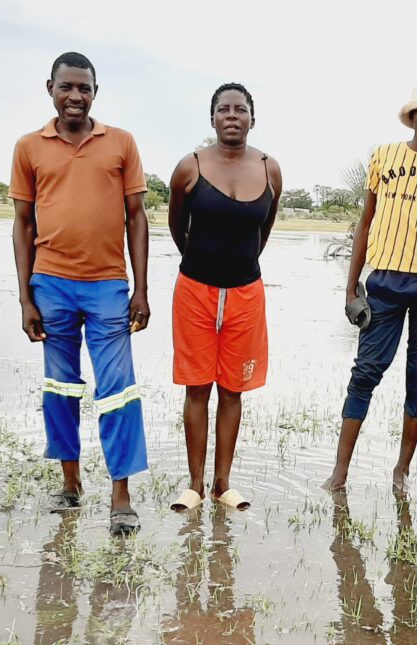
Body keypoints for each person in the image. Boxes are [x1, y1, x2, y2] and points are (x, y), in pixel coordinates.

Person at [9, 52, 150, 535]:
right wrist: (26, 297)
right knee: (61, 388)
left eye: (84, 88)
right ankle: (70, 485)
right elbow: (23, 223)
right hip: (50, 284)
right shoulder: (29, 146)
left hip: (109, 285)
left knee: (119, 389)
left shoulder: (121, 143)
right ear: (50, 87)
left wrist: (141, 289)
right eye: (66, 87)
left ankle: (121, 495)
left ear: (95, 91)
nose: (75, 96)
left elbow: (136, 217)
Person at [323, 84, 417, 493]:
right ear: (412, 117)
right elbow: (366, 221)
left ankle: (401, 473)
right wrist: (351, 287)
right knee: (365, 373)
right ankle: (340, 473)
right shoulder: (384, 157)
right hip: (385, 283)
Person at [167, 83, 282, 512]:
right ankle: (195, 485)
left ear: (253, 117)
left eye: (240, 109)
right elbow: (177, 226)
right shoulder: (189, 167)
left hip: (246, 292)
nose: (232, 116)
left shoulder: (271, 169)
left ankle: (223, 483)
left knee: (232, 389)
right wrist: (201, 264)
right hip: (194, 289)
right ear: (212, 118)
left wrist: (237, 268)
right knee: (197, 387)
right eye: (223, 109)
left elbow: (263, 230)